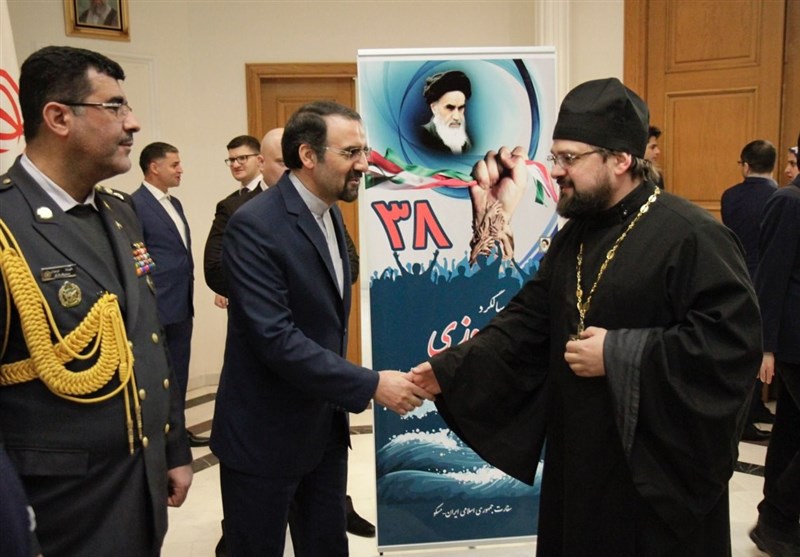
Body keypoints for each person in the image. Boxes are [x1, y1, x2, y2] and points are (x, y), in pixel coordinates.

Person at [411, 77, 762, 556]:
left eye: (570, 158)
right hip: (579, 456)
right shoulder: (575, 235)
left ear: (621, 160)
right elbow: (527, 321)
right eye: (555, 157)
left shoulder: (693, 235)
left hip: (654, 475)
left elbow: (732, 345)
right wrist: (451, 368)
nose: (556, 171)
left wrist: (619, 352)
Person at [210, 101, 431, 556]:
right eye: (350, 153)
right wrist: (370, 384)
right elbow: (275, 338)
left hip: (322, 431)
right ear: (308, 156)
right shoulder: (254, 225)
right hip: (264, 437)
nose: (363, 164)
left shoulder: (329, 211)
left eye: (364, 151)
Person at [0, 45, 192, 556]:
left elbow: (148, 337)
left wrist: (171, 446)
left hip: (139, 486)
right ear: (58, 118)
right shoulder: (5, 223)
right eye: (115, 107)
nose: (133, 122)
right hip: (57, 509)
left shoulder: (120, 212)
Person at [131, 142, 206, 447]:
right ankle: (161, 438)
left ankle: (178, 433)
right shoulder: (135, 204)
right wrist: (149, 296)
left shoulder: (174, 203)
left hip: (181, 302)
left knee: (179, 371)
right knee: (158, 376)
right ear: (154, 167)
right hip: (157, 305)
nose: (180, 170)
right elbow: (136, 254)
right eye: (174, 164)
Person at [749, 131, 800, 555]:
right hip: (794, 342)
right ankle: (778, 517)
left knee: (790, 430)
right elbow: (771, 275)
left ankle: (775, 519)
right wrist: (764, 345)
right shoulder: (789, 201)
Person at [721, 139, 778, 442]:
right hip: (768, 279)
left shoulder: (730, 196)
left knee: (742, 348)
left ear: (745, 165)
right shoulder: (779, 197)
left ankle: (753, 408)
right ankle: (751, 411)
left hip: (736, 274)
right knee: (761, 347)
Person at [203, 134, 265, 306]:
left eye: (242, 158)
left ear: (259, 160)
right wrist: (223, 287)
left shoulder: (270, 194)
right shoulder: (229, 203)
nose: (236, 164)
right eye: (231, 160)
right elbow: (219, 255)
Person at [419, 70, 472, 154]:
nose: (456, 117)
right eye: (450, 108)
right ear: (434, 108)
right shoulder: (421, 137)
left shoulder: (466, 144)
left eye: (461, 108)